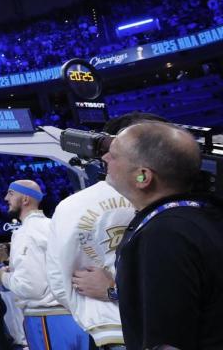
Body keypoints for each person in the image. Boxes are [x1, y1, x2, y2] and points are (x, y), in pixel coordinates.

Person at [92, 122, 223, 349]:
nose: (105, 158)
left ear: (143, 176)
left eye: (114, 155)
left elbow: (168, 342)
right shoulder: (202, 216)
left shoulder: (165, 236)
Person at [46, 112, 163, 350]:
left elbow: (59, 283)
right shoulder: (174, 198)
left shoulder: (70, 206)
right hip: (164, 328)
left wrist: (105, 302)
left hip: (107, 330)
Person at [0, 181, 87, 350]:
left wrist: (3, 277)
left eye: (11, 193)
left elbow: (31, 287)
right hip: (74, 316)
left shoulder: (26, 232)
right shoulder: (53, 225)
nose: (6, 198)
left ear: (25, 199)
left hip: (48, 319)